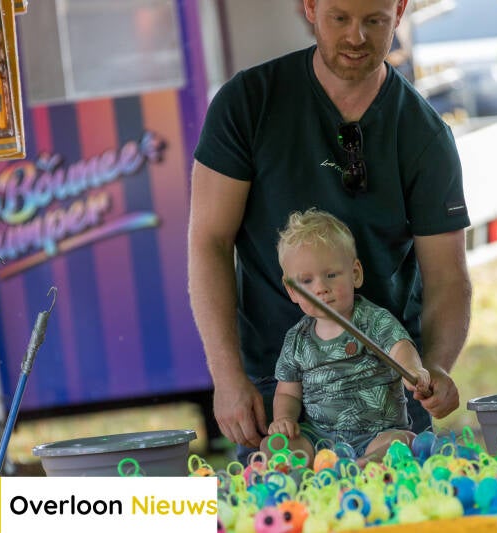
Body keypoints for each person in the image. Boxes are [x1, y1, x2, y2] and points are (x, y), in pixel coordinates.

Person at [188, 0, 472, 462]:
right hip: (276, 396)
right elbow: (208, 243)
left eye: (374, 21)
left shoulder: (425, 134)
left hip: (388, 406)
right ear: (310, 7)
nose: (357, 37)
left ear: (399, 11)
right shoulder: (247, 102)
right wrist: (227, 378)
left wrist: (434, 367)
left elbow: (448, 278)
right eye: (340, 18)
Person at [263, 208, 432, 464]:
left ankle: (360, 465)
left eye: (331, 275)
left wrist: (413, 369)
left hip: (377, 434)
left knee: (404, 442)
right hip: (319, 438)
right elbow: (288, 392)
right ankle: (308, 471)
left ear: (355, 273)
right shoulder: (296, 339)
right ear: (292, 290)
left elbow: (400, 347)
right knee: (273, 446)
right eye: (306, 281)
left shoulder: (373, 319)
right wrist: (284, 419)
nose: (320, 288)